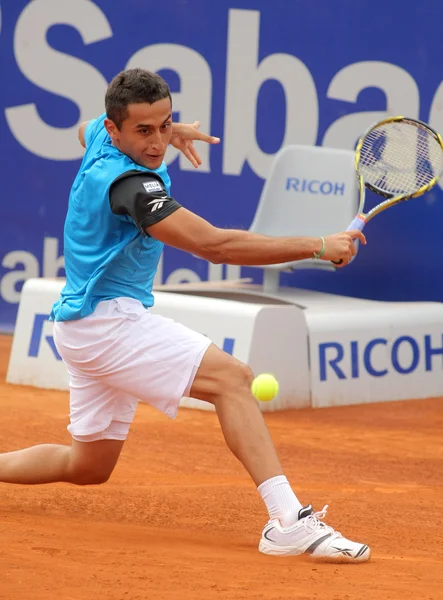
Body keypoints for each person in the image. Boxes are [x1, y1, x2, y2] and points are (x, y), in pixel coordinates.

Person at [0, 68, 369, 562]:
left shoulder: (98, 138)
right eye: (144, 131)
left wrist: (174, 132)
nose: (158, 143)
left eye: (165, 125)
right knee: (232, 379)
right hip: (108, 324)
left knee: (88, 466)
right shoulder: (129, 185)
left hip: (79, 325)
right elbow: (213, 245)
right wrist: (318, 245)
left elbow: (83, 127)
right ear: (116, 130)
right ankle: (286, 522)